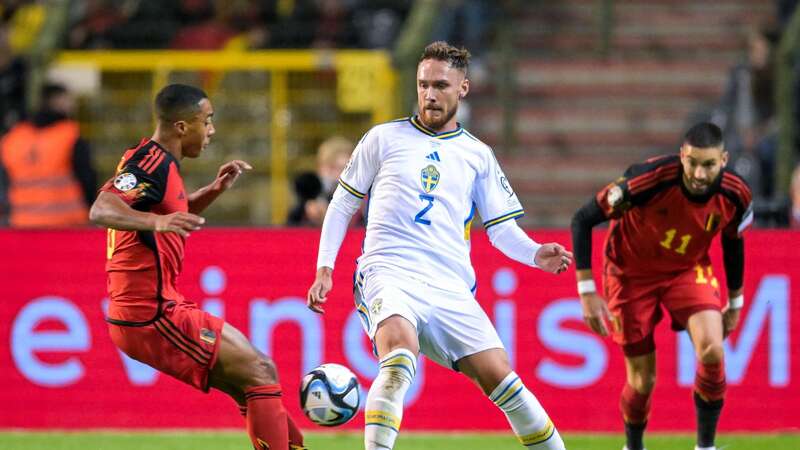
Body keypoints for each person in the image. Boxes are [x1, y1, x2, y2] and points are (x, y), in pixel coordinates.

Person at [307, 41, 572, 450]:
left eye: (441, 86)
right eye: (423, 84)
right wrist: (326, 265)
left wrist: (535, 253)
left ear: (463, 88)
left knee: (505, 381)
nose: (430, 94)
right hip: (387, 270)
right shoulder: (383, 138)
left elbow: (501, 230)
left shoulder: (478, 156)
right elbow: (343, 202)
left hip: (450, 285)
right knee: (398, 357)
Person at [89, 84, 305, 450]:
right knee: (260, 371)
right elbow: (102, 209)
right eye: (207, 121)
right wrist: (155, 224)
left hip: (157, 307)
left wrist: (213, 190)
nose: (212, 131)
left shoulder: (160, 165)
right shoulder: (150, 162)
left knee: (250, 383)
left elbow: (169, 211)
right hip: (149, 313)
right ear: (182, 127)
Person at [570, 122, 752, 450]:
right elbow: (583, 219)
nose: (698, 173)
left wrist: (736, 302)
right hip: (629, 275)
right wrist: (587, 291)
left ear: (723, 160)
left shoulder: (736, 194)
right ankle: (633, 446)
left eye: (708, 164)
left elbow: (733, 242)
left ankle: (705, 447)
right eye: (692, 162)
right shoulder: (647, 180)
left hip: (686, 269)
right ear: (682, 156)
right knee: (642, 381)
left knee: (713, 349)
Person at [0, 82, 96, 227]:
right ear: (55, 100)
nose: (73, 105)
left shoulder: (13, 137)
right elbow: (87, 178)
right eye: (68, 99)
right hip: (67, 223)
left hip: (21, 222)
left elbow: (4, 183)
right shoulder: (70, 135)